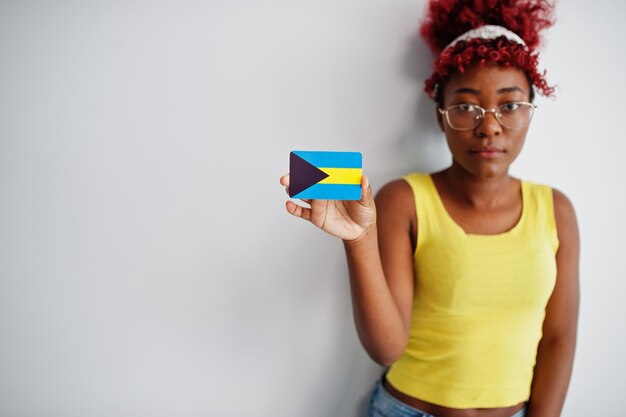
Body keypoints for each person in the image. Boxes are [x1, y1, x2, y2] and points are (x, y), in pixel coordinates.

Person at [279, 1, 579, 416]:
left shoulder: (557, 210)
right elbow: (387, 348)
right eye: (465, 106)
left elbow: (559, 337)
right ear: (440, 116)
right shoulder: (404, 199)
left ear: (531, 112)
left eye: (509, 105)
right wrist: (359, 238)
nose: (489, 125)